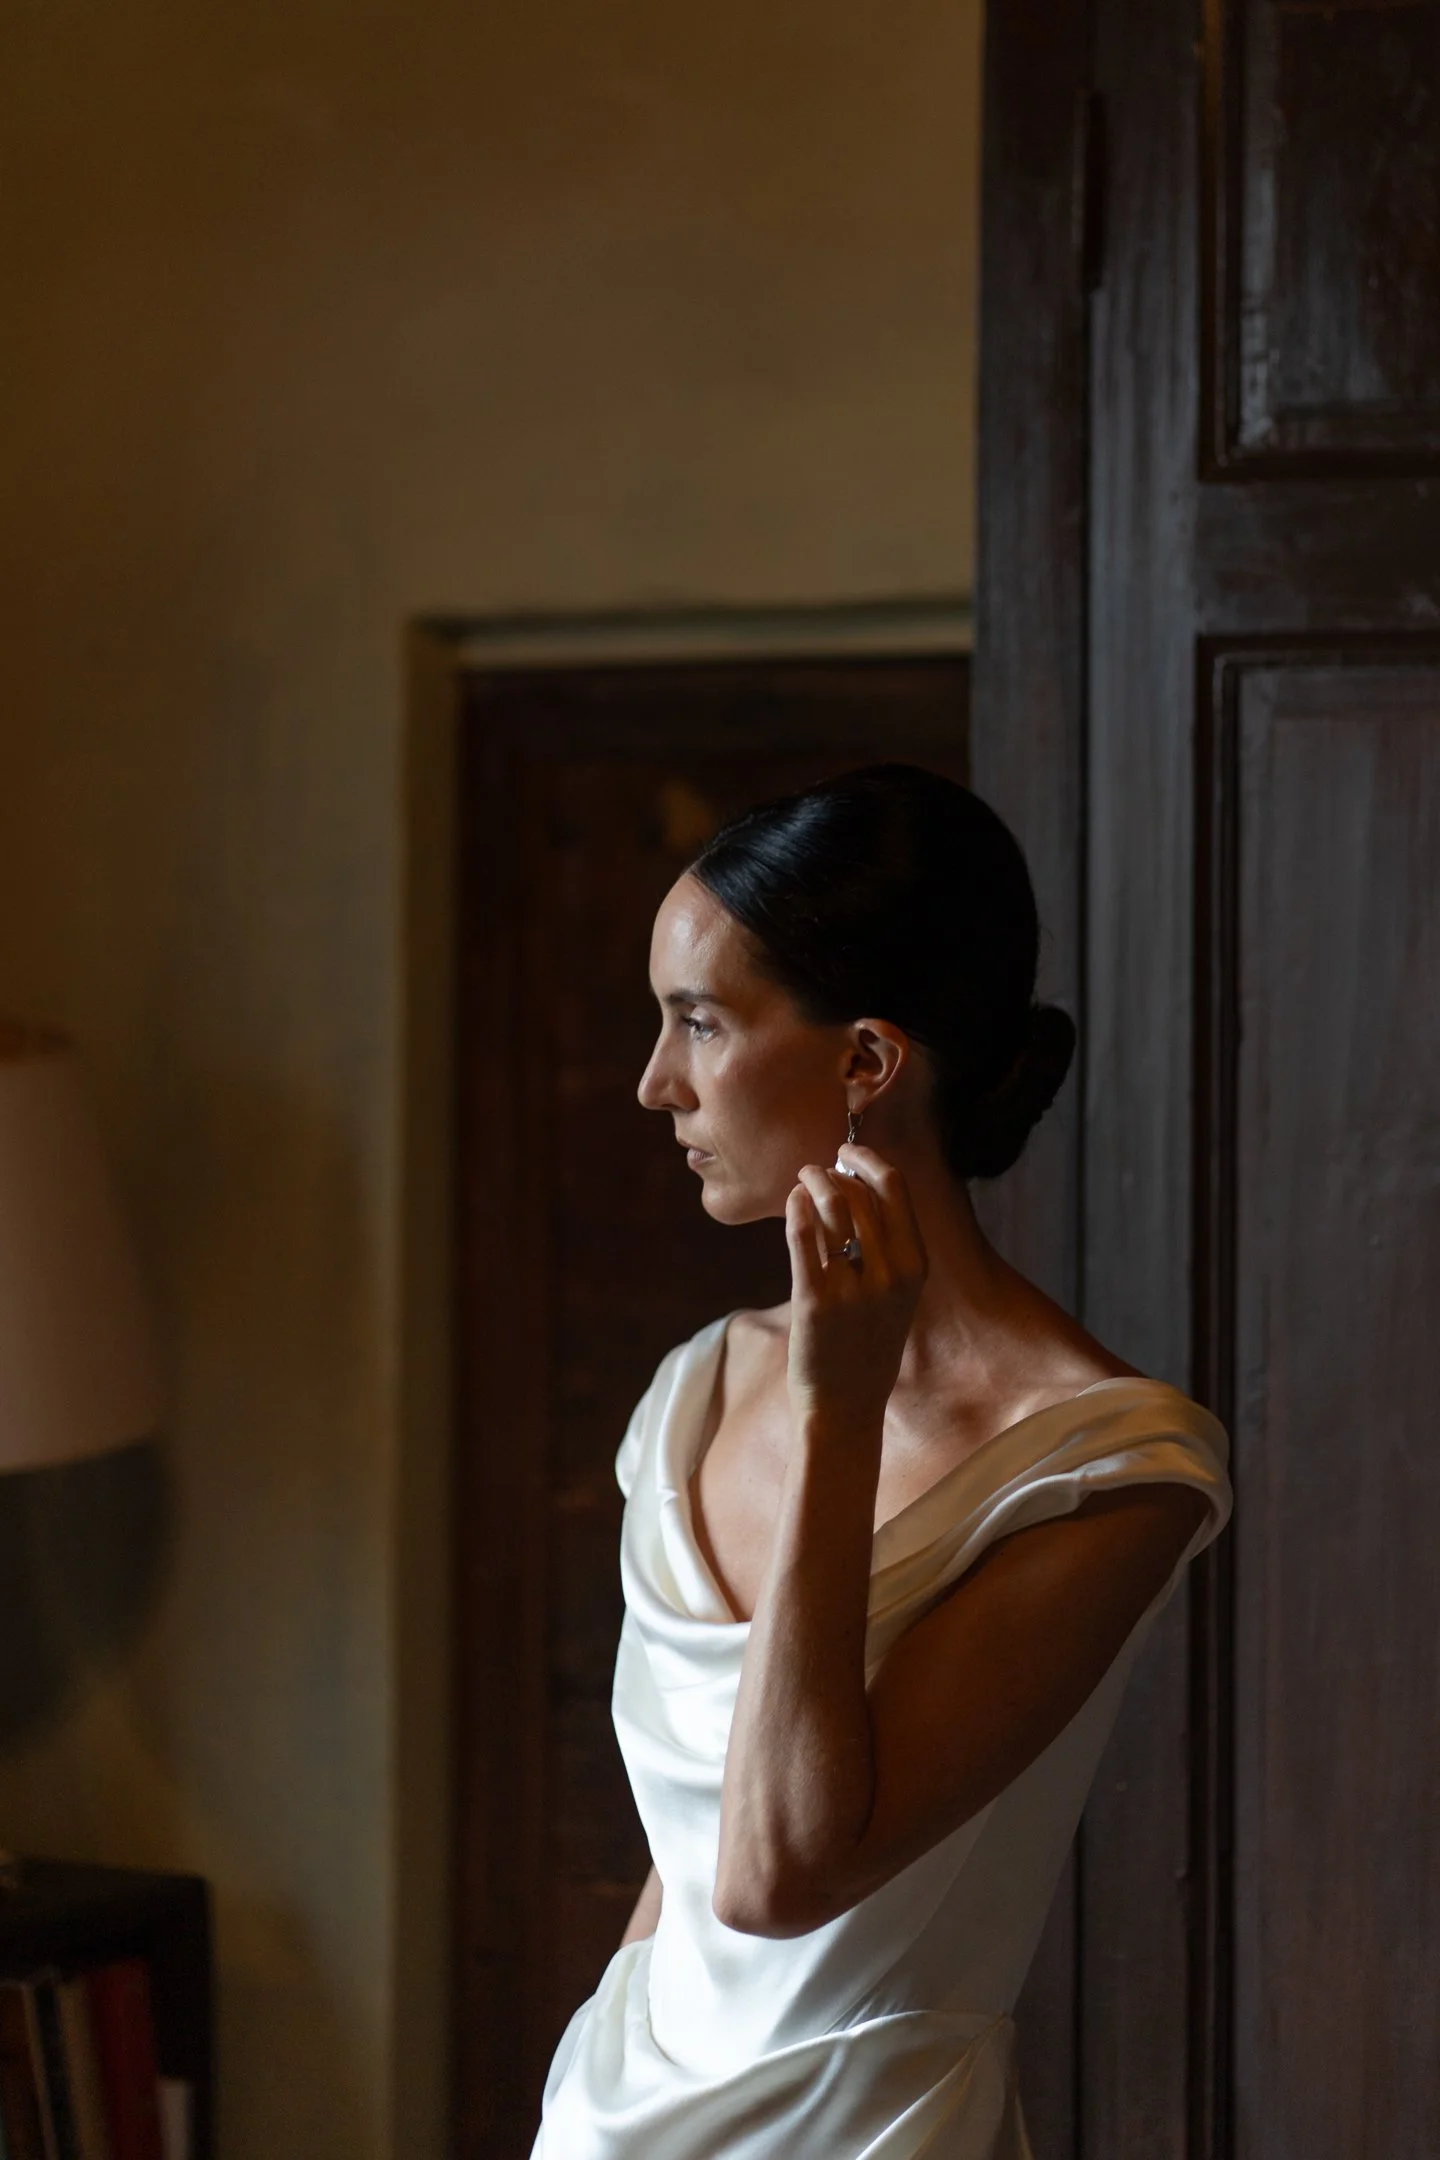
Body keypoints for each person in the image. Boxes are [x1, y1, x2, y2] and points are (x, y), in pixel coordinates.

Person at [529, 763, 1232, 2158]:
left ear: (865, 1062)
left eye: (701, 1023)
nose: (653, 1081)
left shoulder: (1111, 1469)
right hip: (614, 2120)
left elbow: (781, 1873)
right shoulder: (695, 1393)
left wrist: (839, 1417)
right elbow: (680, 1885)